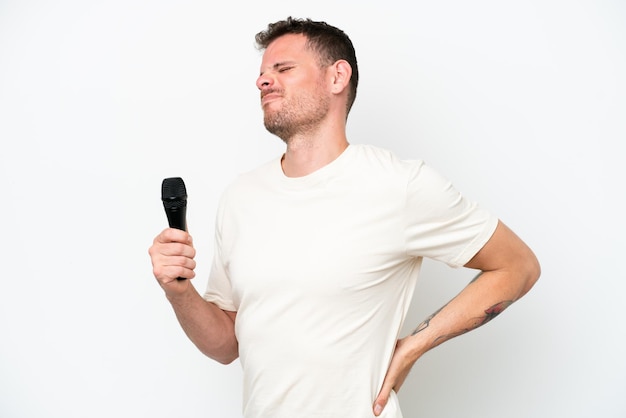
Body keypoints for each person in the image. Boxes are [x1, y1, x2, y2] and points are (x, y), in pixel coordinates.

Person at [148, 17, 540, 418]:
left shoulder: (398, 186)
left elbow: (518, 266)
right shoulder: (240, 198)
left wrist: (414, 346)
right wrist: (179, 290)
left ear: (337, 77)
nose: (263, 81)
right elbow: (225, 345)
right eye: (262, 74)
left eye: (283, 69)